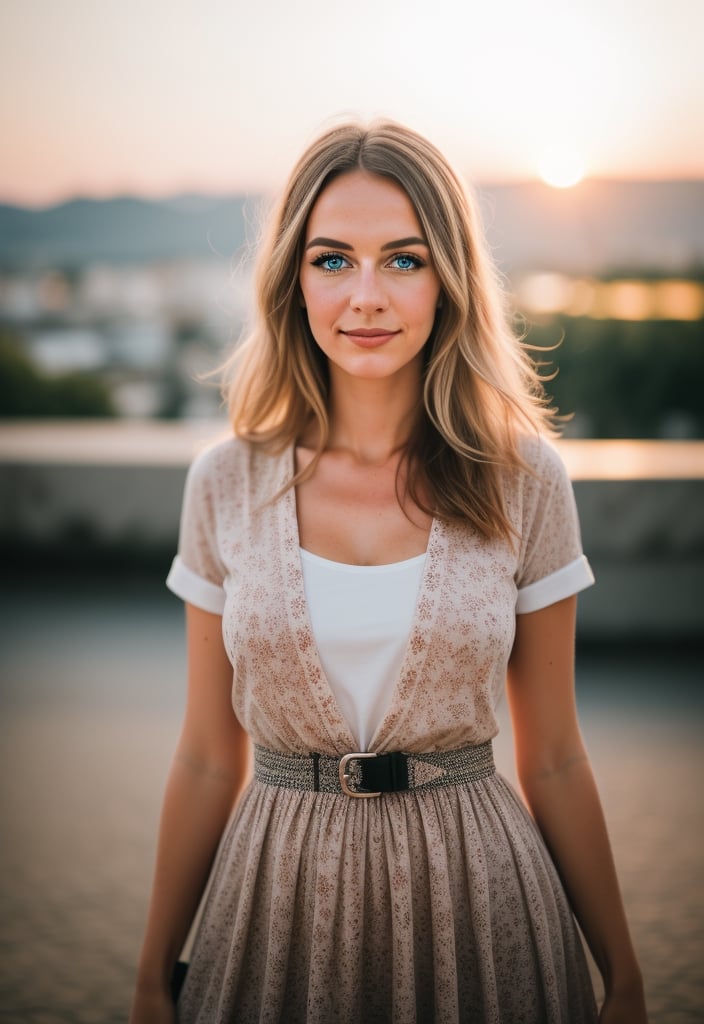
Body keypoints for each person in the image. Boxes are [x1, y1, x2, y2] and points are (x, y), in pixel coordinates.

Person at [129, 120, 647, 1024]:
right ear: (292, 277)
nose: (366, 296)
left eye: (403, 260)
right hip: (274, 902)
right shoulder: (224, 482)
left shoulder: (525, 482)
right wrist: (148, 976)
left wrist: (626, 974)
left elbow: (557, 755)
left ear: (448, 278)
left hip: (481, 905)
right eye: (333, 260)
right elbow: (209, 756)